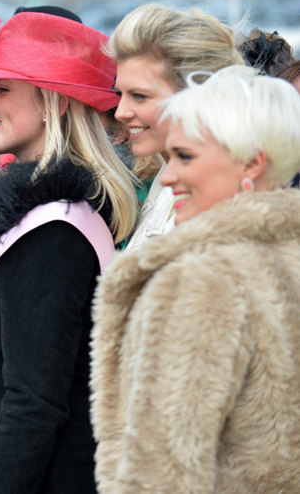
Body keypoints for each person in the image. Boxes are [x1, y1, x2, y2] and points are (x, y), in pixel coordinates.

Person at [0, 10, 139, 492]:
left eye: (2, 88)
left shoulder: (53, 233)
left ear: (53, 101)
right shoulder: (28, 215)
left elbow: (33, 404)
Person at [91, 64, 300, 493]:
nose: (167, 177)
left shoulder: (203, 279)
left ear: (253, 163)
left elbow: (162, 473)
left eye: (184, 157)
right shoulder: (285, 259)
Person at [108, 3, 243, 249]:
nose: (120, 113)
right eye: (120, 95)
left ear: (196, 94)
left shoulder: (217, 208)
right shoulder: (168, 180)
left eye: (139, 96)